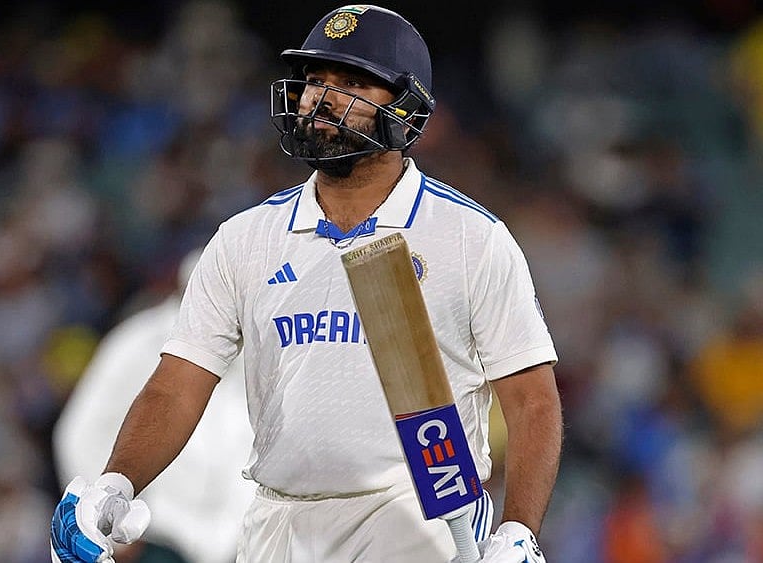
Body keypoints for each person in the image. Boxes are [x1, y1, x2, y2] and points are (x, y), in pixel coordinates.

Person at [51, 5, 562, 562]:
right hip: (278, 520)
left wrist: (519, 529)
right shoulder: (245, 239)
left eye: (352, 84)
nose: (322, 98)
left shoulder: (470, 237)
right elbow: (179, 384)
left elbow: (532, 400)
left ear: (406, 107)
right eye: (316, 80)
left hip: (419, 514)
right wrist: (116, 482)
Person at [52, 248, 255, 563]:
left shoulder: (252, 350)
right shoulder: (139, 341)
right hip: (151, 533)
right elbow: (81, 433)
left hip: (226, 542)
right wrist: (106, 524)